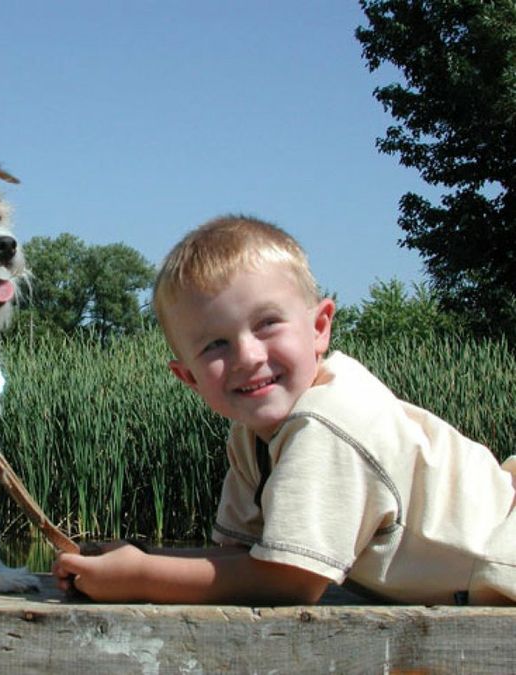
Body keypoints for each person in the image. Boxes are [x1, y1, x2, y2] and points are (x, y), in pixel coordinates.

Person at [52, 215, 516, 605]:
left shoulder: (327, 422)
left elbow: (292, 582)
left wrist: (142, 579)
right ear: (188, 377)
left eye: (267, 324)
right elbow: (247, 556)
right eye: (215, 344)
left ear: (319, 328)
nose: (248, 356)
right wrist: (143, 556)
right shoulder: (251, 434)